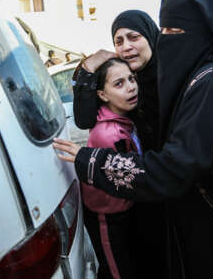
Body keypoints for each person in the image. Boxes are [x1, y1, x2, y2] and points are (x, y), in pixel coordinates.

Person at [53, 0, 213, 279]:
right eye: (164, 31)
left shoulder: (212, 85)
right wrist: (88, 67)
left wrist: (92, 161)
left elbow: (174, 168)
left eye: (173, 32)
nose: (166, 40)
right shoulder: (205, 76)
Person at [73, 10, 165, 278]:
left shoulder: (170, 76)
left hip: (169, 186)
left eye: (133, 37)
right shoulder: (115, 109)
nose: (126, 46)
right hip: (139, 195)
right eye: (118, 41)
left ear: (150, 36)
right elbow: (83, 117)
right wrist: (90, 66)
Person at [82, 58, 140, 279]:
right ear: (102, 95)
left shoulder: (123, 119)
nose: (130, 86)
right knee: (118, 270)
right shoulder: (108, 134)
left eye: (131, 79)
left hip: (125, 208)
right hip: (108, 216)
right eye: (119, 83)